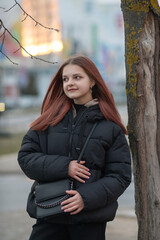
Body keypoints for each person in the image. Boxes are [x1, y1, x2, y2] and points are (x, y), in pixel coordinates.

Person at [18, 55, 131, 240]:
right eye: (65, 79)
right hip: (50, 215)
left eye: (77, 77)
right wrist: (66, 166)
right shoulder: (49, 120)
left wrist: (84, 198)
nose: (70, 83)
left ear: (93, 81)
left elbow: (120, 176)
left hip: (89, 221)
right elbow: (25, 158)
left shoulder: (110, 128)